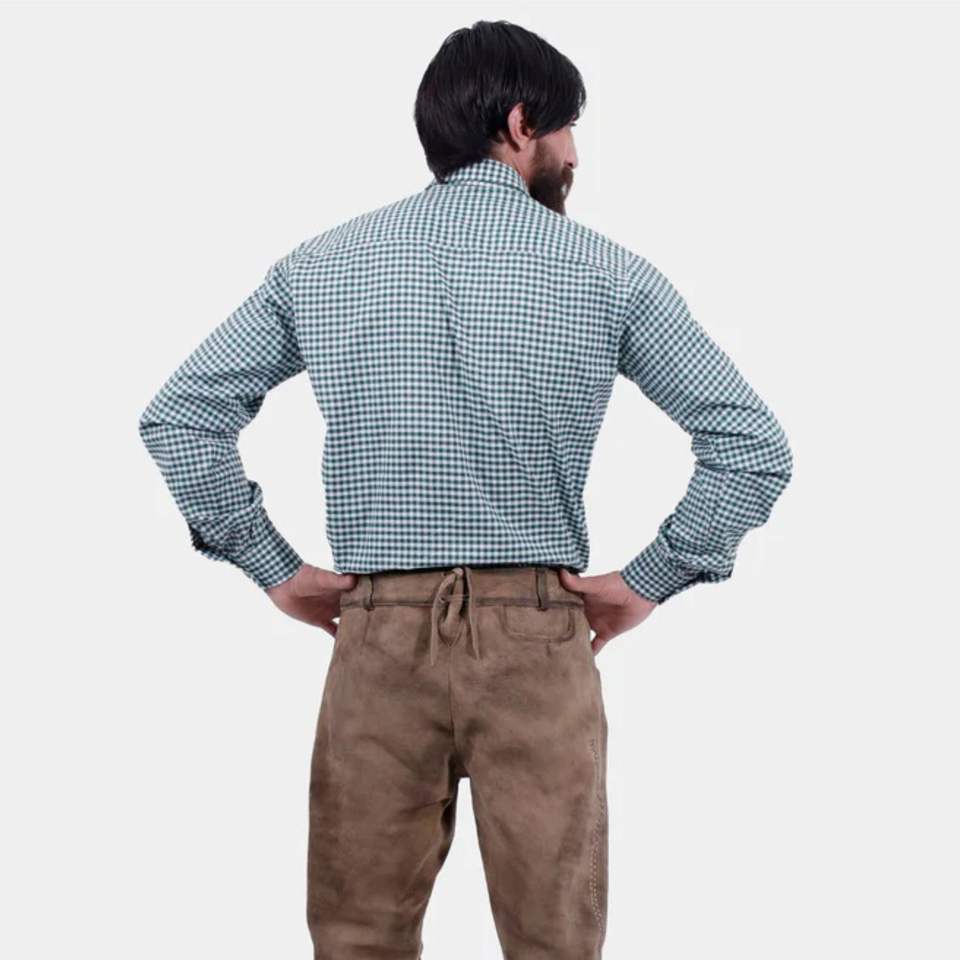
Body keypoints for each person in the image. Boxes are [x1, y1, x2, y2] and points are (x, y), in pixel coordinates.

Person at [138, 18, 793, 960]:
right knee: (555, 942)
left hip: (377, 635)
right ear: (522, 125)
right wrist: (647, 581)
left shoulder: (321, 264)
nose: (574, 153)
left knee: (356, 939)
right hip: (540, 636)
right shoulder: (608, 271)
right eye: (567, 127)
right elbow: (750, 444)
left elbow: (180, 416)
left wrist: (274, 566)